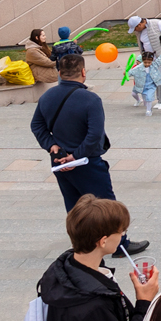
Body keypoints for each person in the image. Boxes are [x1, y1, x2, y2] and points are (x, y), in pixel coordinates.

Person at [30, 54, 148, 254]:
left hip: (60, 162)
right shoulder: (91, 99)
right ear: (83, 72)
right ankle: (119, 245)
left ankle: (82, 245)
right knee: (106, 204)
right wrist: (76, 156)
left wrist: (51, 145)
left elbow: (36, 125)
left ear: (60, 73)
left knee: (74, 206)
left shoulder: (47, 96)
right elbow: (94, 135)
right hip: (87, 162)